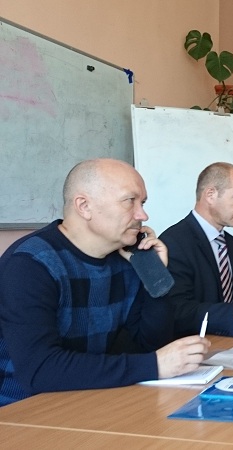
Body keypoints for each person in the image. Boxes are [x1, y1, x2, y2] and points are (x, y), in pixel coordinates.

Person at [0, 159, 210, 407]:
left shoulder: (124, 258)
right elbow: (40, 370)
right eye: (129, 201)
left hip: (89, 398)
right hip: (22, 408)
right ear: (84, 206)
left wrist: (155, 274)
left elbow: (151, 345)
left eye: (142, 203)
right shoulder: (30, 264)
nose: (143, 215)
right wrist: (154, 365)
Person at [161, 162, 233, 338]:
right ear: (210, 195)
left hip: (230, 342)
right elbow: (178, 310)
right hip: (193, 345)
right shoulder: (173, 243)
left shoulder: (229, 242)